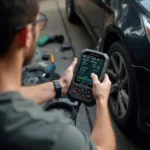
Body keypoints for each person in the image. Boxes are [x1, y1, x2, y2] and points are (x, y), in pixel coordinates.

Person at [0, 0, 116, 150]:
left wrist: (61, 85)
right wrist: (101, 100)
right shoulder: (53, 134)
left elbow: (7, 98)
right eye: (39, 23)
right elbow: (104, 147)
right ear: (26, 35)